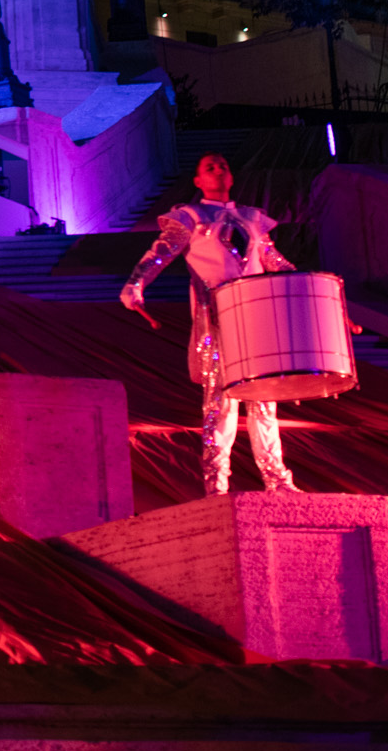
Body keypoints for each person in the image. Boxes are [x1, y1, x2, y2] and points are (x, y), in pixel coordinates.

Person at [119, 152, 304, 496]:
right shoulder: (191, 216)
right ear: (198, 182)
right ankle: (217, 485)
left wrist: (307, 287)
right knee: (220, 403)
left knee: (264, 401)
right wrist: (136, 284)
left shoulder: (252, 219)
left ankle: (278, 481)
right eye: (209, 167)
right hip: (217, 319)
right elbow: (160, 252)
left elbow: (275, 262)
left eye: (223, 165)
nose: (219, 169)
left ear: (231, 177)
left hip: (257, 318)